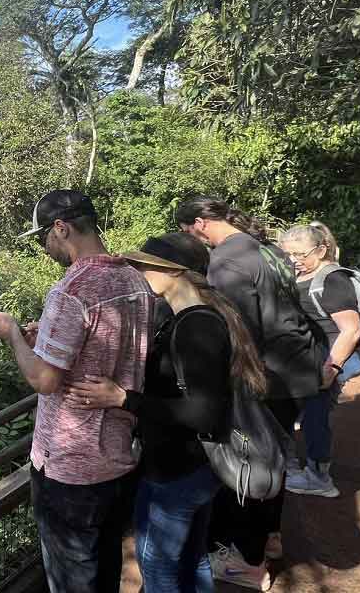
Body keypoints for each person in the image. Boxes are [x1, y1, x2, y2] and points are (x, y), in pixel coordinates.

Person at [68, 232, 268, 593]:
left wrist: (122, 399)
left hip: (178, 473)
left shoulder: (197, 326)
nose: (138, 270)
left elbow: (202, 414)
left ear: (175, 271)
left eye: (145, 264)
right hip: (196, 468)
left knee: (159, 569)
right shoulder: (188, 317)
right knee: (193, 558)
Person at [0, 190, 154, 593]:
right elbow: (100, 349)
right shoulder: (135, 279)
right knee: (106, 566)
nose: (44, 247)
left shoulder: (72, 290)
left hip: (70, 468)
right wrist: (39, 339)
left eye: (42, 237)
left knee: (72, 580)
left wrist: (13, 335)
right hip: (118, 455)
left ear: (60, 228)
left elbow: (44, 380)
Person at [175, 196, 329, 591]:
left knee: (248, 464)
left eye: (186, 232)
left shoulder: (227, 264)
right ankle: (269, 538)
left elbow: (237, 333)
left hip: (267, 376)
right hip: (294, 369)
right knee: (274, 457)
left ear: (199, 225)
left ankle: (247, 560)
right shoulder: (268, 248)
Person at [278, 223, 360, 498]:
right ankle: (290, 463)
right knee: (294, 409)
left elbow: (352, 329)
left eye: (301, 254)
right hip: (308, 355)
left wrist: (332, 367)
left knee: (316, 414)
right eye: (289, 254)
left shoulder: (333, 279)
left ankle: (318, 477)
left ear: (322, 249)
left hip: (332, 356)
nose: (294, 261)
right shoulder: (301, 273)